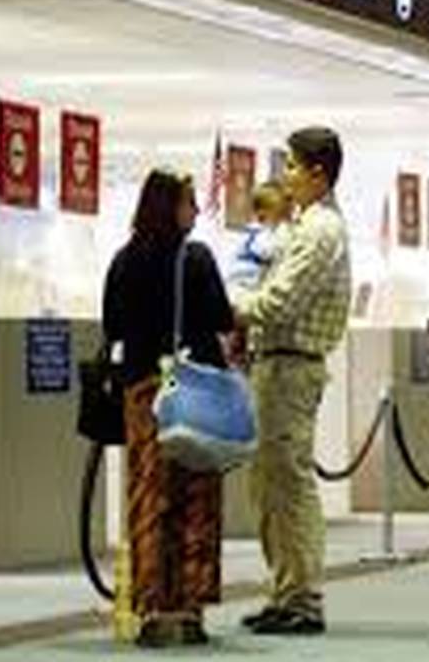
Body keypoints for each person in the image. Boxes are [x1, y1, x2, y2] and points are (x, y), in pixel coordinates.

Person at [102, 169, 233, 647]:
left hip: (143, 392)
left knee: (149, 498)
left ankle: (153, 608)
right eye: (189, 202)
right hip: (196, 392)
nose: (195, 211)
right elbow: (220, 316)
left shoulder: (124, 260)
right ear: (172, 207)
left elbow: (113, 325)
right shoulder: (196, 259)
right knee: (196, 498)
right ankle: (191, 608)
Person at [234, 128, 352, 636]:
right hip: (275, 364)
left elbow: (280, 302)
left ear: (317, 173)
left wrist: (225, 305)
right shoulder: (303, 224)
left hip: (291, 367)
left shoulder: (320, 230)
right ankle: (285, 591)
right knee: (270, 485)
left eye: (291, 166)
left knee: (288, 483)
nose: (284, 176)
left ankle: (302, 598)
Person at [229, 180, 293, 294]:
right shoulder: (261, 235)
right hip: (245, 285)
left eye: (289, 215)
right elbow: (272, 250)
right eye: (282, 215)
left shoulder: (255, 232)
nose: (288, 220)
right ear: (261, 216)